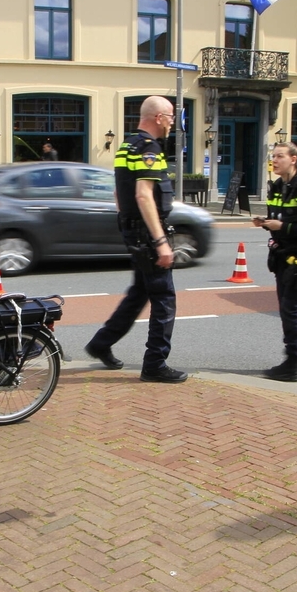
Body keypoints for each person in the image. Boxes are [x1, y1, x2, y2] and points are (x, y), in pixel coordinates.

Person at [84, 96, 187, 383]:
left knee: (139, 293)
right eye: (169, 116)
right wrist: (159, 241)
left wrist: (126, 222)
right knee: (164, 299)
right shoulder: (149, 148)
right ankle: (155, 363)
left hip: (133, 230)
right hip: (147, 233)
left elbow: (120, 192)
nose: (172, 122)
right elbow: (143, 194)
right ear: (157, 118)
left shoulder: (127, 145)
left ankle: (101, 343)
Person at [252, 141, 297, 382]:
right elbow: (278, 219)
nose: (274, 160)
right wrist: (266, 223)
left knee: (291, 308)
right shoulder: (277, 186)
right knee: (286, 307)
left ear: (293, 159)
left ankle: (294, 363)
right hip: (284, 252)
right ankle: (292, 360)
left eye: (280, 156)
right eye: (273, 156)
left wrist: (282, 226)